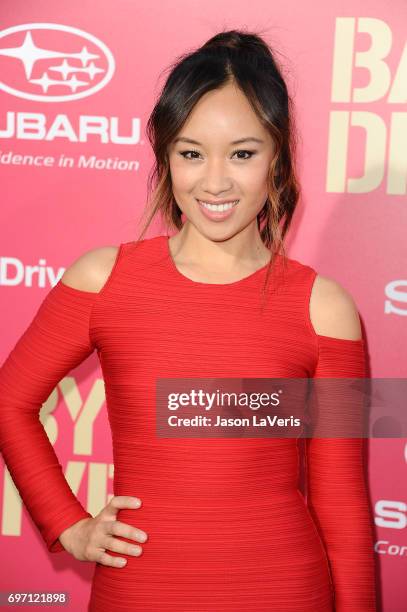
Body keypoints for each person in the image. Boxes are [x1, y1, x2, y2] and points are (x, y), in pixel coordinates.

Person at [0, 29, 377, 611]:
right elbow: (10, 402)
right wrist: (67, 523)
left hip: (284, 593)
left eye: (243, 153)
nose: (216, 181)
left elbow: (341, 506)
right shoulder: (105, 280)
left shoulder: (324, 308)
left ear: (277, 160)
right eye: (192, 152)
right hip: (140, 593)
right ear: (165, 156)